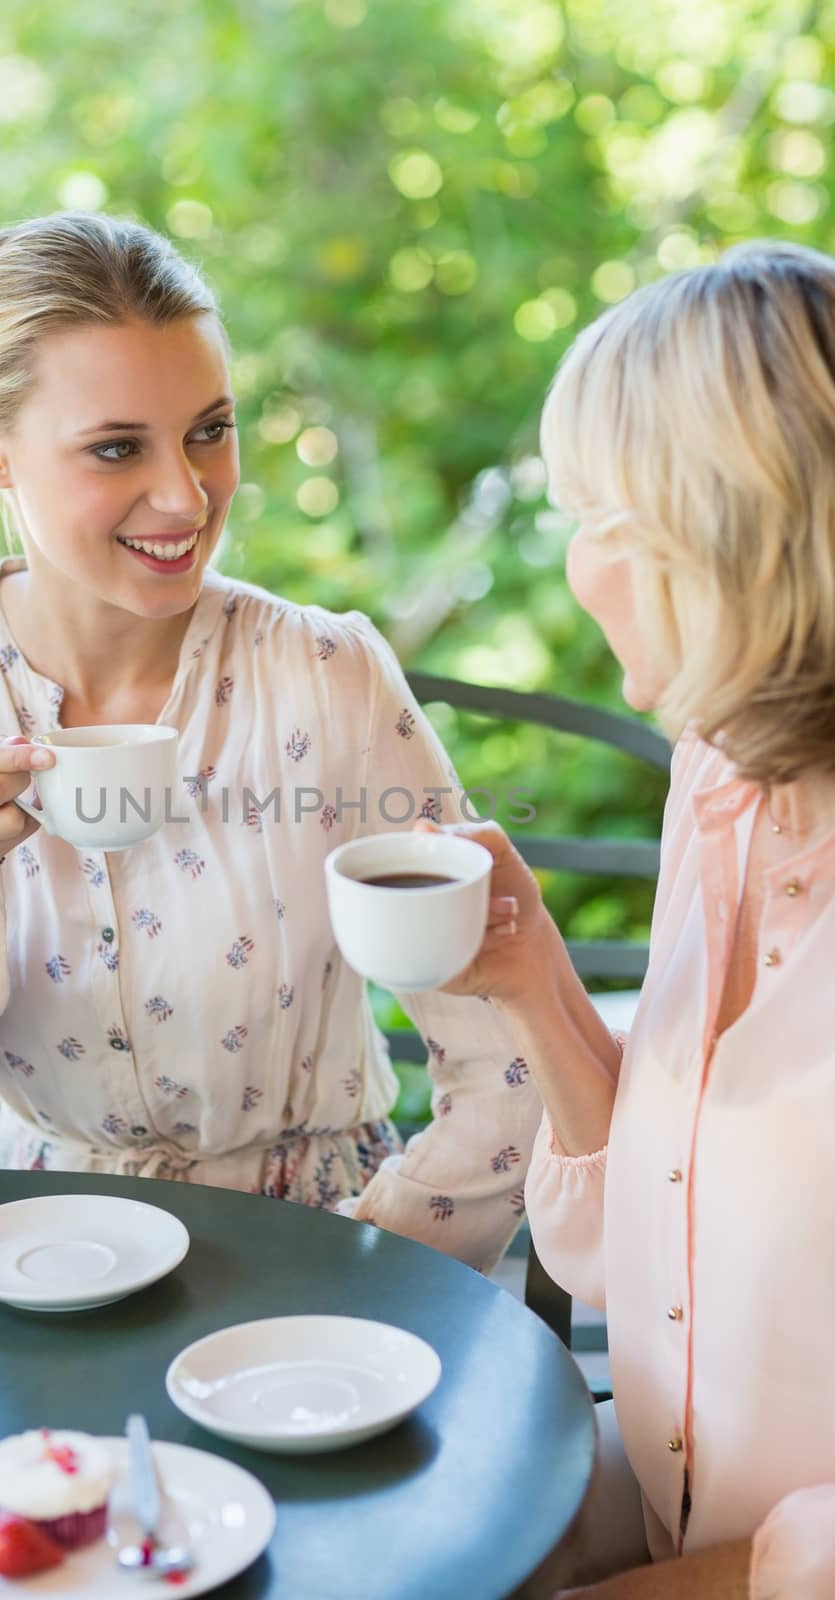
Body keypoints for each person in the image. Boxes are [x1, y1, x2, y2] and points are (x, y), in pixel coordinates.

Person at [0, 210, 540, 1271]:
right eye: (117, 448)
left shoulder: (325, 673)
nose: (185, 493)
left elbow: (509, 1065)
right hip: (37, 1263)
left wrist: (384, 1269)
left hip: (317, 1245)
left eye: (209, 428)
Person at [427, 240, 835, 1595]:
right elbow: (634, 1262)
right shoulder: (722, 784)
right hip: (662, 1508)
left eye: (603, 521)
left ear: (724, 541)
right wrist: (530, 979)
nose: (577, 569)